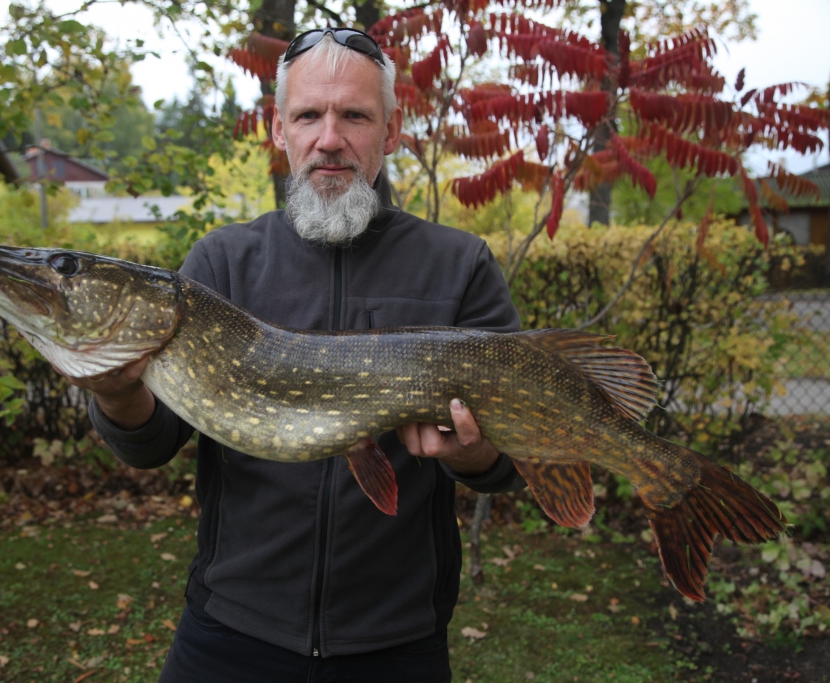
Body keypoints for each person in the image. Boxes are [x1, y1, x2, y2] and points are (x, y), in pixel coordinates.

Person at [65, 28, 526, 683]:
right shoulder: (221, 263)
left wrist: (475, 454)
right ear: (280, 131)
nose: (330, 138)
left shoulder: (459, 266)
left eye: (355, 116)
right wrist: (115, 392)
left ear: (391, 133)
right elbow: (153, 442)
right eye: (309, 114)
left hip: (396, 643)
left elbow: (508, 461)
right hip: (230, 631)